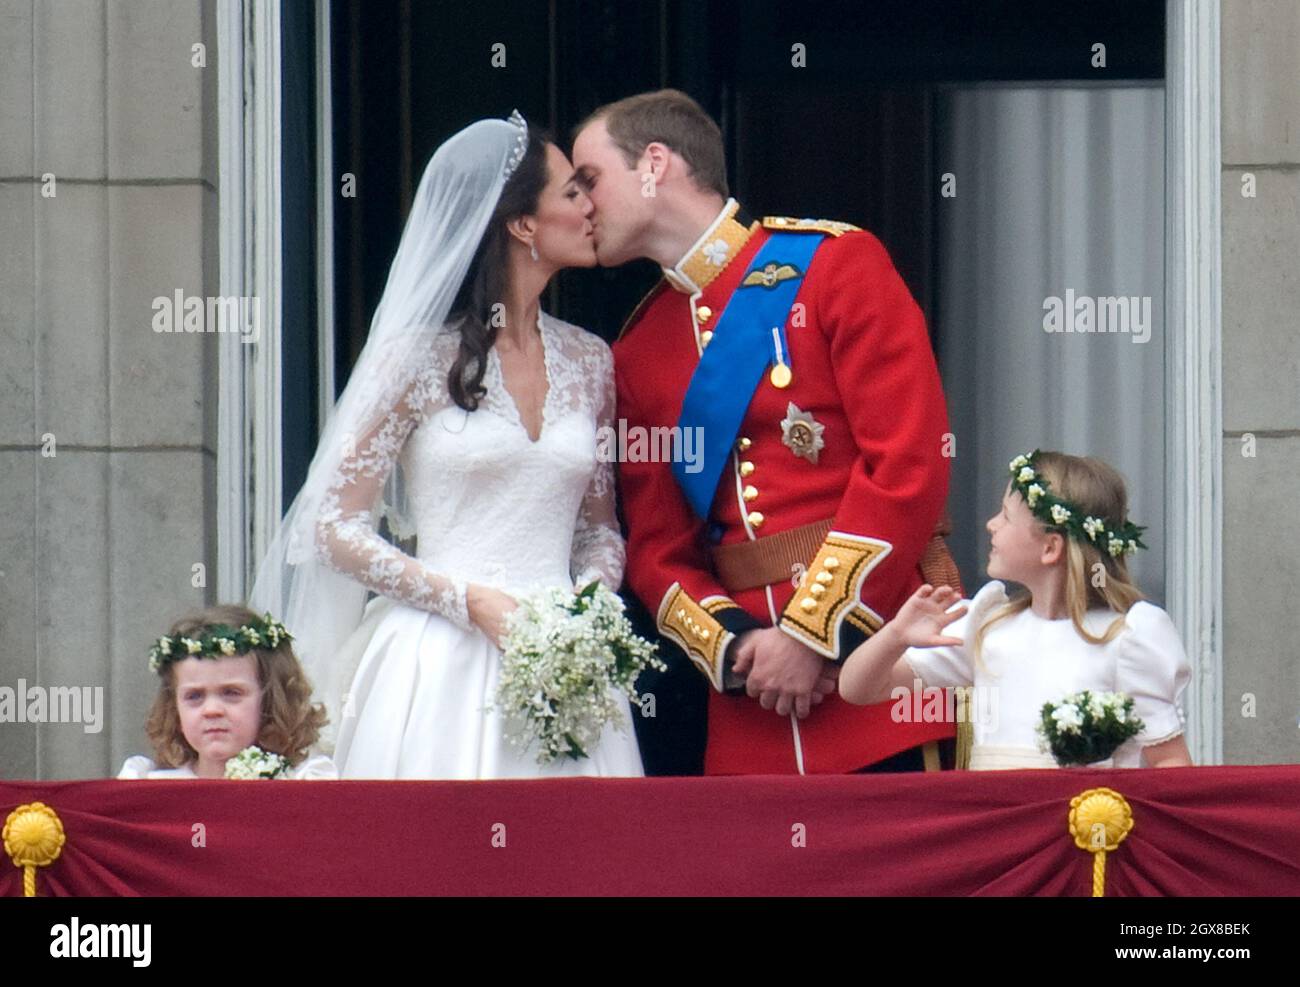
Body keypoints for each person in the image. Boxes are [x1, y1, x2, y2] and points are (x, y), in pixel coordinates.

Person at [571, 89, 963, 775]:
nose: (580, 203)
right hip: (753, 714)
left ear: (654, 164)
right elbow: (658, 550)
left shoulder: (836, 265)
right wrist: (739, 645)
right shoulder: (639, 348)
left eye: (590, 178)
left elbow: (908, 465)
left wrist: (812, 633)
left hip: (882, 672)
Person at [249, 111, 643, 779]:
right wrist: (469, 601)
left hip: (567, 672)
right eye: (572, 192)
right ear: (522, 224)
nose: (591, 206)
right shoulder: (414, 360)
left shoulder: (591, 360)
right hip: (438, 661)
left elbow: (599, 530)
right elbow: (332, 526)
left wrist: (583, 611)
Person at [839, 450, 1194, 769]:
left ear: (1050, 548)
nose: (991, 524)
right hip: (999, 831)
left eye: (1006, 517)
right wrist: (896, 637)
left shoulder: (1127, 637)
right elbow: (857, 689)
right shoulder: (986, 626)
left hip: (1087, 834)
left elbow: (1170, 762)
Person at [117, 605, 336, 779]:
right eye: (194, 696)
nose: (212, 710)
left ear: (270, 699)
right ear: (174, 707)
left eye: (231, 693)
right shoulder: (149, 787)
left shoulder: (303, 784)